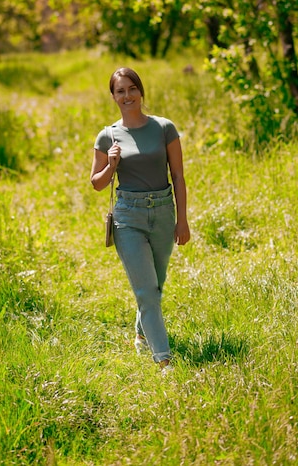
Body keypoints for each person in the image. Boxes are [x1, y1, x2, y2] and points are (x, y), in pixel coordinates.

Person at [90, 67, 190, 373]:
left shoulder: (164, 128)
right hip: (127, 217)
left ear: (141, 91)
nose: (127, 95)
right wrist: (112, 163)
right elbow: (96, 182)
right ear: (113, 97)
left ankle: (140, 332)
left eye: (132, 88)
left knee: (155, 286)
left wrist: (182, 220)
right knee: (146, 291)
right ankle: (164, 360)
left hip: (162, 212)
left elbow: (178, 176)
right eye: (120, 91)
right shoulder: (108, 135)